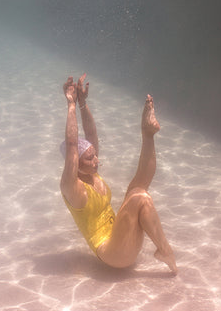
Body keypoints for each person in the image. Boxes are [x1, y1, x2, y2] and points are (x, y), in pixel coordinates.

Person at [60, 73, 178, 274]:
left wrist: (82, 104)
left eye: (95, 155)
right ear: (75, 165)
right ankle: (165, 251)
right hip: (112, 254)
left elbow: (91, 135)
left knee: (137, 188)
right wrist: (71, 105)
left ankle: (147, 133)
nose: (96, 160)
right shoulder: (73, 187)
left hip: (122, 238)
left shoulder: (92, 172)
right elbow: (73, 146)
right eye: (89, 158)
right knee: (140, 197)